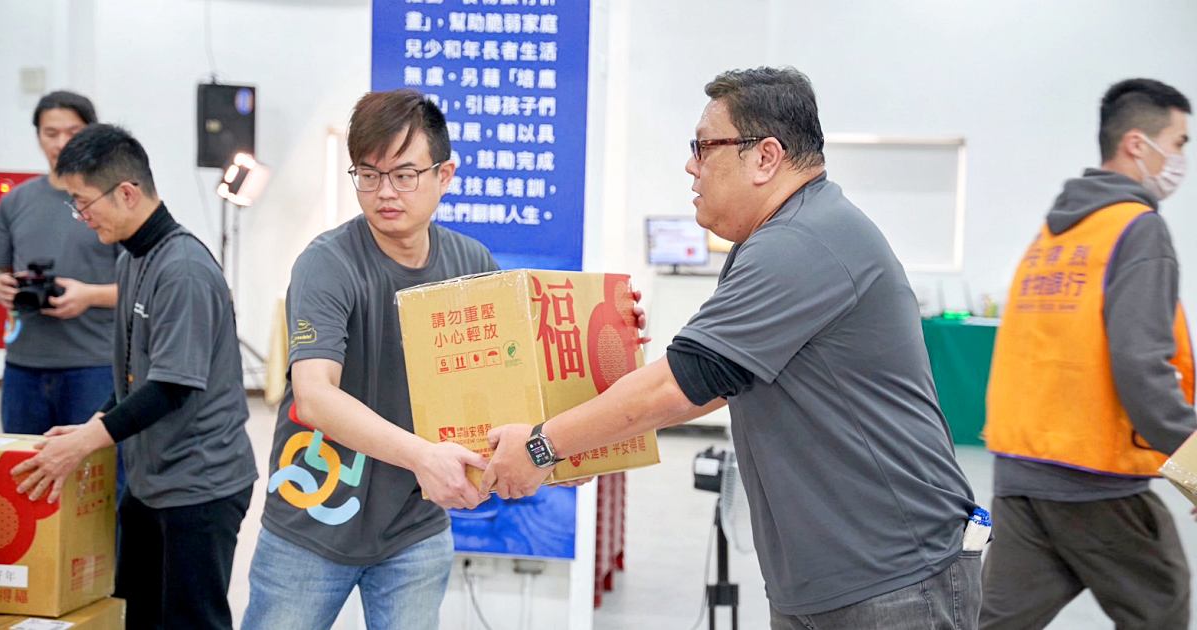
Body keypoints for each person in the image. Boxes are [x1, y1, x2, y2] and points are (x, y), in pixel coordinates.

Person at [483, 66, 982, 630]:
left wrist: (543, 447)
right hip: (830, 576)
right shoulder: (777, 237)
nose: (691, 166)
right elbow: (720, 382)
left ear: (765, 157)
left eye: (703, 147)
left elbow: (681, 382)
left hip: (892, 578)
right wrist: (578, 445)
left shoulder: (802, 241)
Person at [241, 89, 499, 630]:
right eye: (368, 174)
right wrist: (423, 457)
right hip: (313, 519)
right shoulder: (327, 264)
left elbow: (510, 378)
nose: (384, 192)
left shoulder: (471, 263)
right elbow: (315, 396)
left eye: (404, 175)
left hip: (413, 527)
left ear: (445, 175)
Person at [11, 123, 257, 630]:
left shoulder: (183, 269)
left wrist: (83, 446)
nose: (82, 217)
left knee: (191, 621)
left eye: (84, 203)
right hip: (149, 482)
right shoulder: (131, 260)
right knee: (137, 614)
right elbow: (134, 378)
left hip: (199, 486)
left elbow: (171, 387)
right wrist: (89, 428)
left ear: (126, 192)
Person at [981, 78, 1195, 630]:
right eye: (1179, 143)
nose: (1181, 159)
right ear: (1136, 144)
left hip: (1021, 472)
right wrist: (1195, 465)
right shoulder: (1137, 230)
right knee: (1161, 606)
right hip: (1094, 478)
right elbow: (1141, 367)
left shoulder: (1052, 237)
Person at [0, 91, 118, 437]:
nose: (61, 143)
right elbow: (1, 269)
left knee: (96, 467)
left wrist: (89, 295)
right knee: (23, 464)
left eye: (73, 132)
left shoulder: (112, 200)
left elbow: (147, 286)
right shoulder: (15, 201)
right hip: (24, 367)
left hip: (94, 365)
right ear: (38, 136)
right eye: (51, 133)